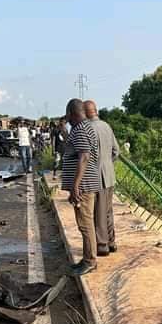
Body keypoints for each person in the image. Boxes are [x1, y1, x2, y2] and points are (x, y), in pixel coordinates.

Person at [61, 98, 100, 276]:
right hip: (83, 185)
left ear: (71, 113)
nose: (67, 118)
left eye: (68, 114)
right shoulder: (83, 128)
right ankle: (86, 259)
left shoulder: (82, 129)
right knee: (84, 223)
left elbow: (84, 158)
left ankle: (90, 261)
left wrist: (75, 186)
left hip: (83, 186)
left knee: (85, 224)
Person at [84, 100, 120, 256]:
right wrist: (107, 164)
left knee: (98, 212)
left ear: (85, 113)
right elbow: (116, 151)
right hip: (109, 175)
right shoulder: (106, 126)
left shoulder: (87, 129)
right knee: (107, 211)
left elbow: (84, 157)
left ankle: (102, 244)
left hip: (96, 176)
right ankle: (111, 242)